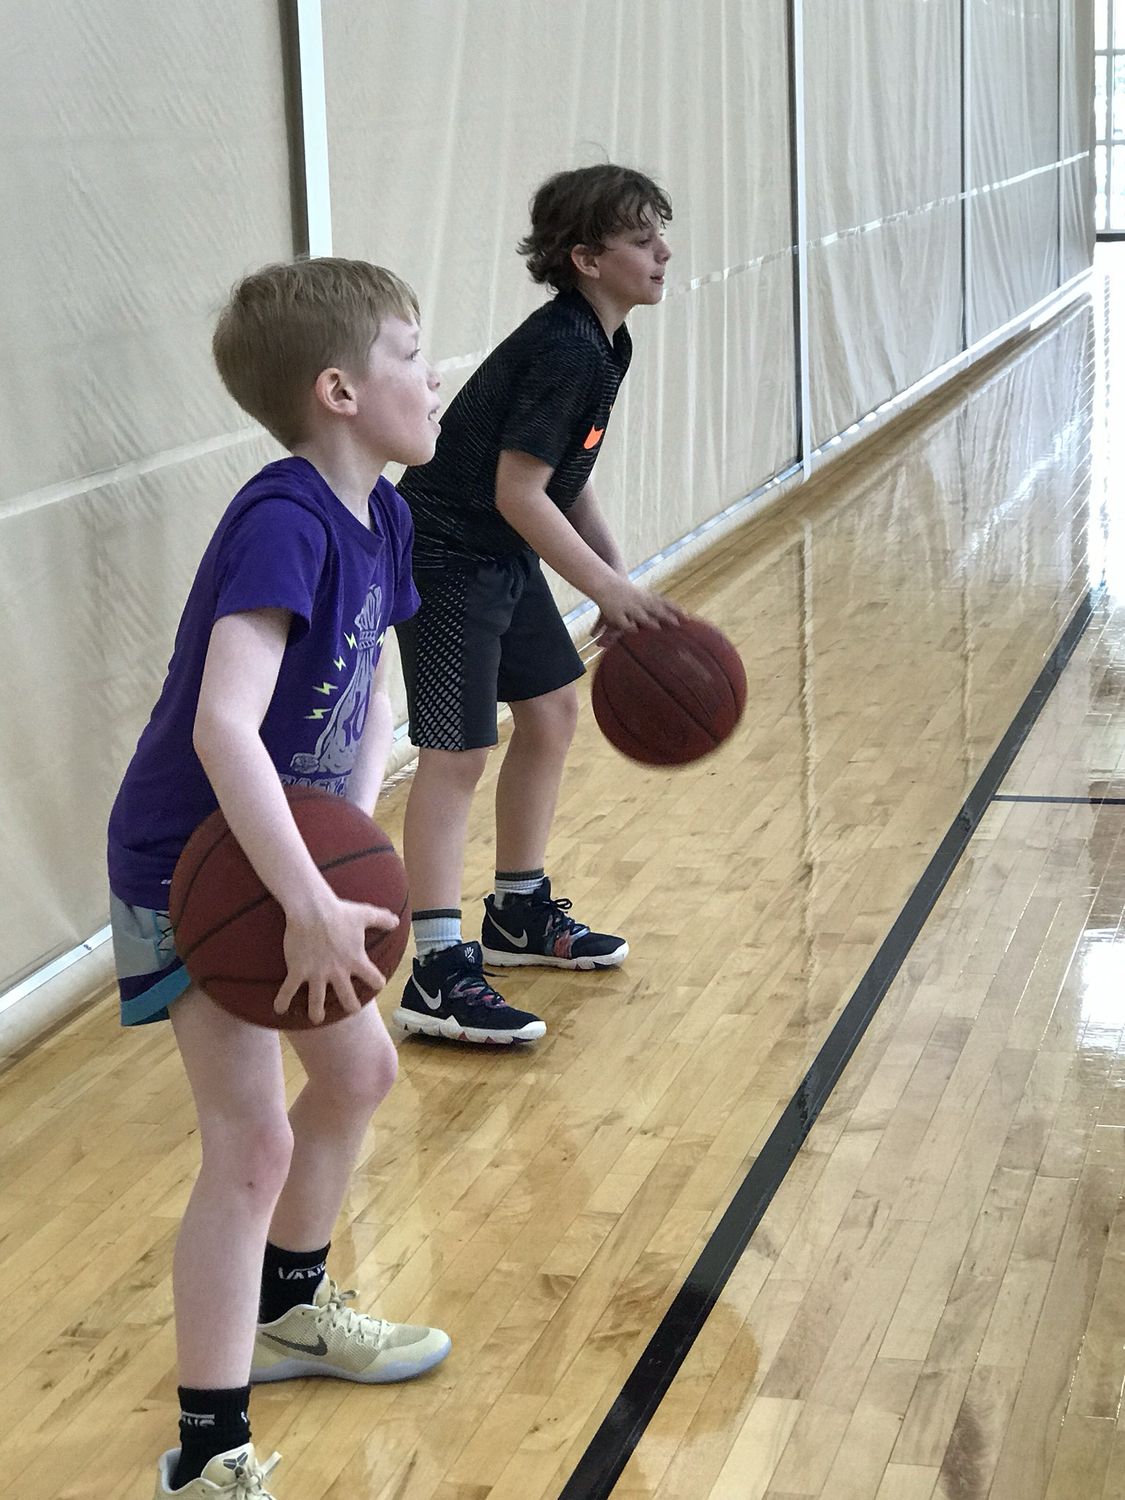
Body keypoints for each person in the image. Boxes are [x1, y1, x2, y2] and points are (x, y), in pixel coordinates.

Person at [106, 258, 450, 1499]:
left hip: (282, 851)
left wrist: (344, 837)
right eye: (415, 352)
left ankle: (291, 1314)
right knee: (249, 1143)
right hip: (191, 869)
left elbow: (365, 701)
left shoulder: (386, 515)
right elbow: (222, 727)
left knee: (360, 1068)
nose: (434, 375)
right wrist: (304, 897)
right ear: (342, 387)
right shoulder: (284, 519)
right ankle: (207, 1452)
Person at [393, 164, 678, 1046]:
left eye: (661, 231)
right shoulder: (563, 347)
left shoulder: (606, 343)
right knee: (456, 752)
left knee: (551, 712)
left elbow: (560, 479)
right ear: (587, 258)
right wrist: (605, 588)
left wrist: (617, 573)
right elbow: (519, 492)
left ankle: (516, 915)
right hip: (444, 554)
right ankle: (435, 968)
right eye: (641, 238)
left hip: (496, 550)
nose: (663, 251)